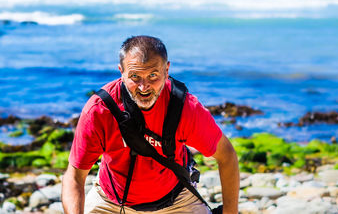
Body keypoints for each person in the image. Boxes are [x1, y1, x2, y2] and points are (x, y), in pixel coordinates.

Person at [61, 35, 239, 214]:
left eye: (153, 75)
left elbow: (227, 156)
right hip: (110, 199)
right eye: (135, 76)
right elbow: (75, 177)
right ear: (121, 72)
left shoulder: (186, 109)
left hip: (176, 199)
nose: (144, 87)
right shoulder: (100, 110)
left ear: (167, 70)